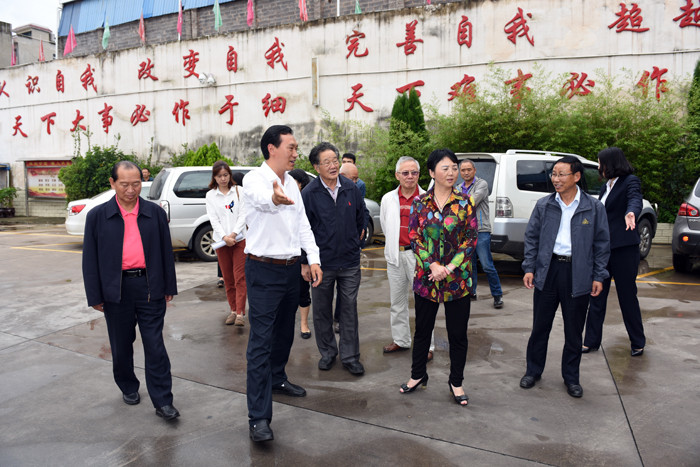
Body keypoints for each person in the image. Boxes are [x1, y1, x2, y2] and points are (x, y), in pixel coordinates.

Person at [242, 125, 322, 443]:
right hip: (263, 270)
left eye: (296, 147)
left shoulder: (292, 183)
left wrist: (313, 259)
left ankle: (277, 377)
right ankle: (259, 417)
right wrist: (274, 199)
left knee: (284, 333)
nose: (295, 153)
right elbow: (262, 200)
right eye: (291, 147)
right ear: (271, 148)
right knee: (260, 343)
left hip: (290, 271)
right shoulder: (254, 180)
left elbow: (302, 224)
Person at [82, 161, 179, 421]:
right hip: (116, 290)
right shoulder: (98, 216)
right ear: (112, 183)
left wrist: (168, 285)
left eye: (136, 184)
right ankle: (127, 385)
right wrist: (95, 295)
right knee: (121, 344)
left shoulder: (154, 213)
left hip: (149, 287)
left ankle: (163, 401)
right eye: (124, 184)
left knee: (155, 345)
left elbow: (165, 253)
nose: (131, 190)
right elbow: (90, 260)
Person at [519, 156, 610, 399]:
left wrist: (598, 275)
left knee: (573, 330)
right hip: (548, 270)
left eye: (561, 174)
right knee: (540, 326)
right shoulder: (544, 205)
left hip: (577, 273)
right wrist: (529, 268)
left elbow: (602, 244)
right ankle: (533, 371)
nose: (556, 179)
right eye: (554, 174)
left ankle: (571, 378)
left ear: (576, 177)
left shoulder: (594, 207)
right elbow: (532, 238)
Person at [399, 149, 477, 407]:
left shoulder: (465, 202)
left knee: (458, 334)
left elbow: (470, 239)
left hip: (457, 281)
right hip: (427, 278)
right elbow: (414, 237)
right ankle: (417, 375)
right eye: (445, 168)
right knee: (422, 331)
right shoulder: (420, 203)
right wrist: (432, 264)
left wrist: (450, 267)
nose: (452, 172)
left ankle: (456, 382)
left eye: (454, 167)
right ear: (432, 173)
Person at [303, 142, 367, 376]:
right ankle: (328, 353)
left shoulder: (350, 187)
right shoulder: (309, 193)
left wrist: (356, 243)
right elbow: (302, 228)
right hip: (321, 264)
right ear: (316, 167)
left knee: (349, 308)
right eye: (326, 162)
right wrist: (306, 261)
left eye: (335, 160)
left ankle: (350, 356)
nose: (333, 165)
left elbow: (362, 216)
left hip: (349, 262)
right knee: (322, 310)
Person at [583, 147, 646, 356]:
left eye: (600, 162)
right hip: (603, 251)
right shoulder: (605, 187)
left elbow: (634, 199)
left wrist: (631, 212)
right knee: (596, 295)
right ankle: (591, 341)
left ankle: (637, 342)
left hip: (623, 249)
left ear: (610, 163)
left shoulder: (630, 181)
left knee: (627, 296)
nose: (598, 166)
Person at [380, 156, 434, 362]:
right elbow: (385, 226)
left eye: (414, 172)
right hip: (395, 255)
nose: (410, 176)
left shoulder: (428, 198)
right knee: (397, 302)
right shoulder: (388, 199)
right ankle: (401, 340)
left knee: (424, 303)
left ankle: (427, 346)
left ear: (419, 175)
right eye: (405, 173)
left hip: (419, 257)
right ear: (397, 175)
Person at [205, 160, 247, 327]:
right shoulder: (210, 195)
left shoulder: (239, 191)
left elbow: (243, 215)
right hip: (221, 242)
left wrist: (233, 234)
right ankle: (233, 310)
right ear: (214, 177)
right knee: (228, 277)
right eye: (219, 176)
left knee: (239, 277)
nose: (223, 179)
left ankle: (240, 313)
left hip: (239, 240)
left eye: (225, 175)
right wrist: (224, 237)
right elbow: (213, 219)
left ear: (230, 175)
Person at [459, 159, 504, 309]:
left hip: (481, 230)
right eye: (463, 170)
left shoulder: (482, 184)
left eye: (469, 169)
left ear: (474, 170)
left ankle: (497, 295)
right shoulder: (458, 187)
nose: (466, 172)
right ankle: (471, 292)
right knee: (469, 265)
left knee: (487, 265)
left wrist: (457, 202)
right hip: (465, 232)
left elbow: (471, 201)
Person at [288, 168, 313, 339]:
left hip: (301, 254)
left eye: (293, 182)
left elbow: (307, 233)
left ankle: (304, 324)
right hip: (283, 255)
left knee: (303, 290)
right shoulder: (282, 200)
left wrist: (305, 260)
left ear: (301, 184)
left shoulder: (306, 201)